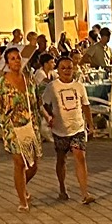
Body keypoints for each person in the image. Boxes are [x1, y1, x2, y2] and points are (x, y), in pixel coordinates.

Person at [0, 46, 41, 212]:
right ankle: (23, 200)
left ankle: (22, 186)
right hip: (12, 127)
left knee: (34, 165)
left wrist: (48, 117)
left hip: (31, 125)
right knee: (19, 162)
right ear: (7, 63)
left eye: (18, 57)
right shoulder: (3, 82)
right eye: (12, 58)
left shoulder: (29, 79)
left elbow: (37, 102)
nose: (16, 61)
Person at [43, 54, 95, 205]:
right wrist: (48, 117)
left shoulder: (79, 86)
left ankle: (85, 193)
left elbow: (85, 105)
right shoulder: (52, 87)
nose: (67, 71)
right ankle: (62, 187)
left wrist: (90, 124)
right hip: (60, 130)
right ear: (57, 70)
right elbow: (43, 105)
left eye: (69, 68)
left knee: (80, 157)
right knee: (61, 159)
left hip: (77, 128)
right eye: (63, 68)